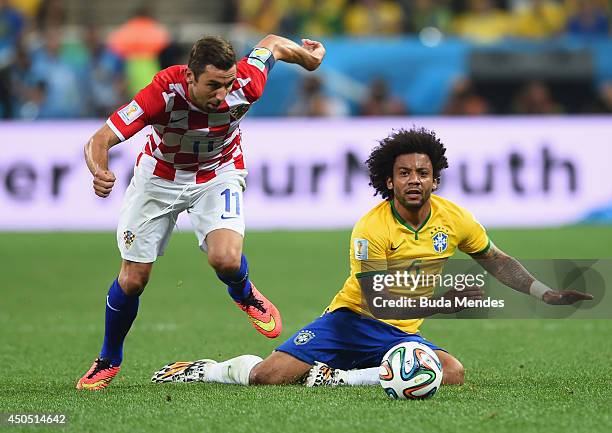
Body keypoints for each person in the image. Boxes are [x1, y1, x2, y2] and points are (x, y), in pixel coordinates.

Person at [150, 127, 592, 387]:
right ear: (390, 181)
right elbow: (378, 296)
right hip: (350, 322)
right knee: (268, 377)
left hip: (399, 335)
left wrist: (543, 292)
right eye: (404, 174)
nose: (414, 180)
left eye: (422, 172)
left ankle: (337, 379)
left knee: (452, 372)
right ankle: (210, 369)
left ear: (435, 179)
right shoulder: (371, 228)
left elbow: (495, 259)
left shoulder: (456, 219)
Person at [76, 34, 326, 390]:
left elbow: (272, 44)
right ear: (190, 76)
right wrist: (99, 170)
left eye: (227, 84)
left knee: (225, 259)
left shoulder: (246, 82)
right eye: (213, 85)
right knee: (133, 279)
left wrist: (307, 58)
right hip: (159, 178)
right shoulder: (160, 94)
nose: (222, 94)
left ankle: (244, 293)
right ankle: (109, 358)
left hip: (218, 172)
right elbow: (99, 140)